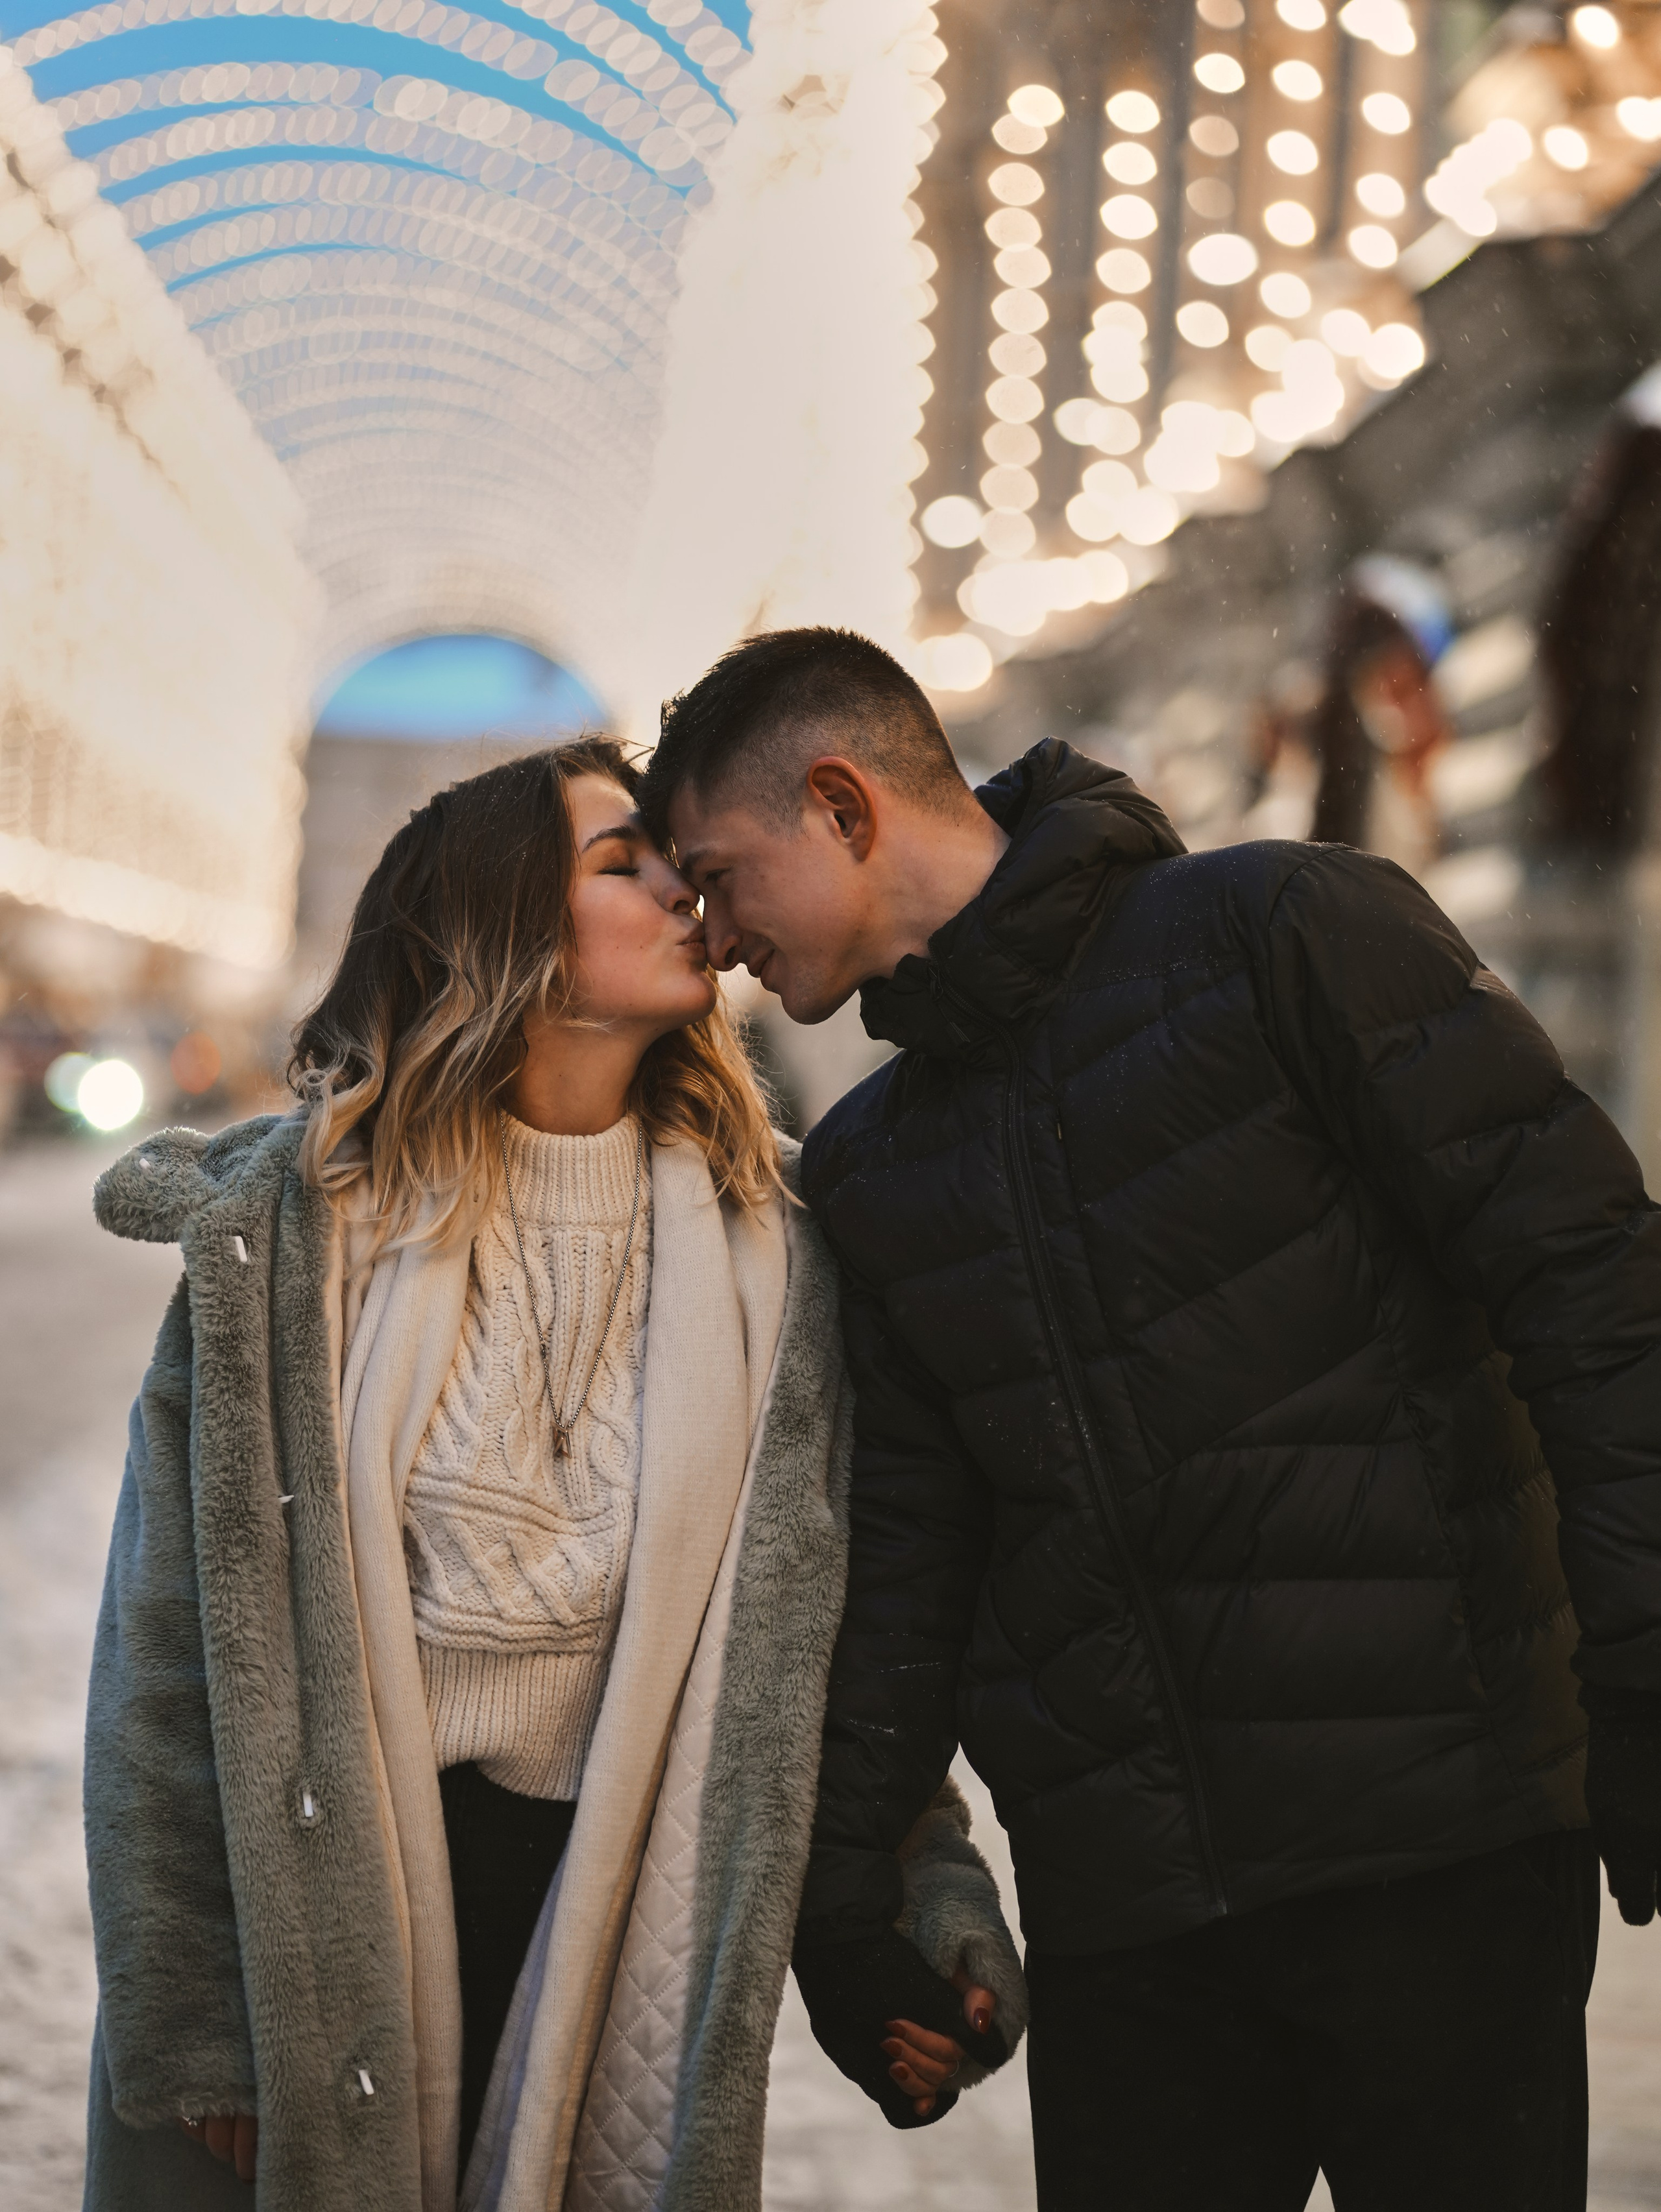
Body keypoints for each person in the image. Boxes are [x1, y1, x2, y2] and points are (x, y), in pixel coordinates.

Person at [641, 628, 1661, 2211]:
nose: (706, 939)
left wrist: (1640, 1671)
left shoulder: (1282, 933)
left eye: (716, 877)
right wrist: (844, 1909)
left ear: (841, 805)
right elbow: (906, 1554)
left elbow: (1591, 1289)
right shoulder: (868, 1166)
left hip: (1437, 1849)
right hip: (1133, 1922)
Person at [81, 737, 1024, 2212]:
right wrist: (192, 2013)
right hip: (330, 1903)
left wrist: (930, 1893)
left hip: (612, 1893)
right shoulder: (288, 1238)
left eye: (681, 861)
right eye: (619, 861)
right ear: (499, 921)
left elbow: (823, 1633)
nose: (684, 888)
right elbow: (166, 1668)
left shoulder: (783, 1246)